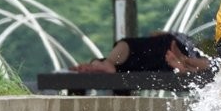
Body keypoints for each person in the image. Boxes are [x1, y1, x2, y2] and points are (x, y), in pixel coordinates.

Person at [72, 32, 212, 74]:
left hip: (167, 50)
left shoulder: (121, 51)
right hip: (168, 53)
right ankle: (184, 63)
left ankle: (184, 63)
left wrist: (95, 63)